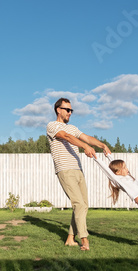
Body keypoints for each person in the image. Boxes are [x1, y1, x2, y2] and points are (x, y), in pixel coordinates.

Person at [47, 98, 111, 251]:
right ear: (58, 110)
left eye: (71, 110)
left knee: (83, 206)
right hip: (65, 169)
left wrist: (102, 145)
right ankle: (85, 241)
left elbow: (86, 137)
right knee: (79, 204)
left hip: (78, 170)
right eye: (67, 109)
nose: (70, 112)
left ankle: (70, 239)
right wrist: (84, 147)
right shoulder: (52, 126)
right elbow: (66, 137)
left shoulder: (73, 128)